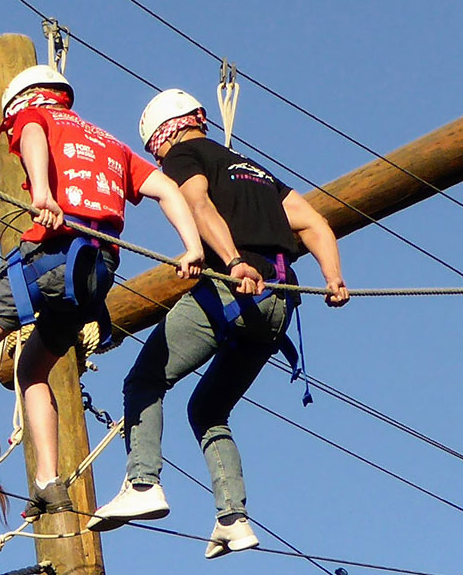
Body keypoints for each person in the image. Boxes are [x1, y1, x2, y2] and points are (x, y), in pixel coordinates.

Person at [0, 66, 204, 521]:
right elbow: (167, 189)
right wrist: (191, 247)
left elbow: (32, 132)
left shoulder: (35, 115)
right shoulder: (111, 143)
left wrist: (46, 193)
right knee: (32, 369)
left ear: (25, 99)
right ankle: (49, 483)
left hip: (53, 255)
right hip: (97, 273)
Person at [87, 89, 348, 558]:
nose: (159, 158)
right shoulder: (259, 173)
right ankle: (234, 519)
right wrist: (334, 279)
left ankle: (143, 482)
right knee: (208, 412)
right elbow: (313, 223)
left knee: (144, 380)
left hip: (232, 290)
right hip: (278, 305)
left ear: (163, 136)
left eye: (155, 151)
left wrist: (231, 260)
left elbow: (197, 203)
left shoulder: (185, 156)